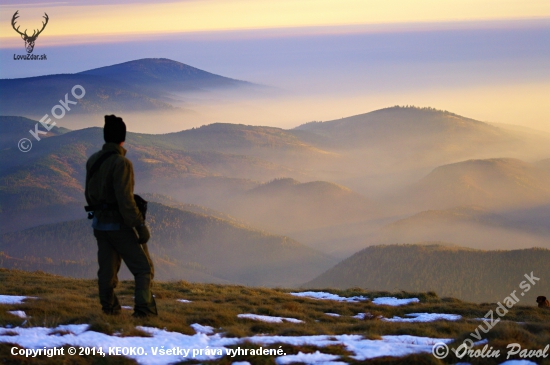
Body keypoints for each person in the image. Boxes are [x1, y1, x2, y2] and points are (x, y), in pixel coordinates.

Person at [85, 115, 157, 318]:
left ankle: (109, 309)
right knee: (143, 269)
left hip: (100, 225)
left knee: (107, 272)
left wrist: (95, 216)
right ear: (122, 139)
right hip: (119, 226)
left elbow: (88, 194)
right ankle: (144, 311)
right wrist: (140, 226)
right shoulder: (122, 164)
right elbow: (126, 201)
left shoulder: (93, 160)